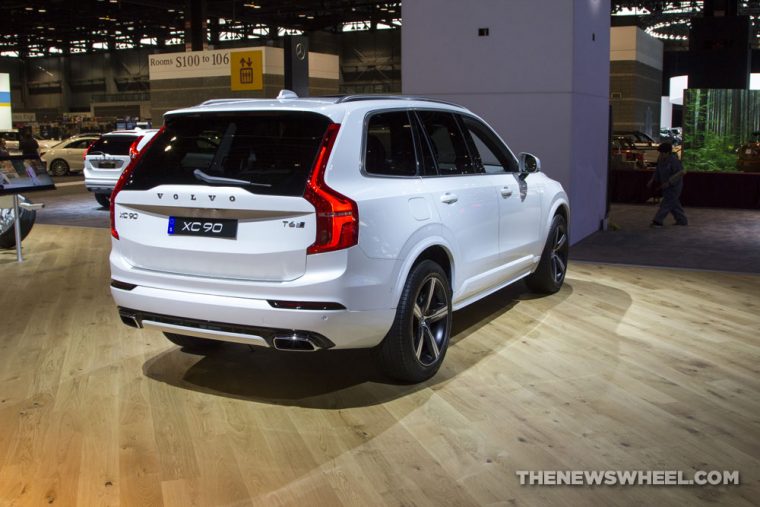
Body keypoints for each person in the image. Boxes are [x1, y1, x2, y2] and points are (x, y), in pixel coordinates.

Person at [648, 142, 687, 227]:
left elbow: (680, 173)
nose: (661, 154)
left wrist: (669, 182)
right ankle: (682, 220)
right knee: (674, 204)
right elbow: (657, 170)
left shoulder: (674, 161)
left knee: (666, 203)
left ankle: (658, 221)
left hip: (674, 186)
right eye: (660, 153)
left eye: (662, 153)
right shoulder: (660, 159)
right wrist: (652, 180)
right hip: (665, 185)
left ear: (668, 152)